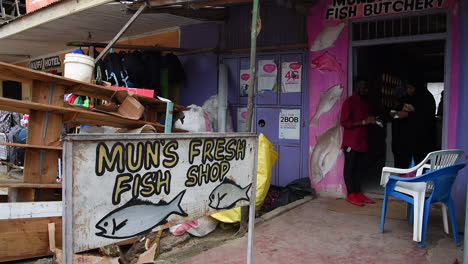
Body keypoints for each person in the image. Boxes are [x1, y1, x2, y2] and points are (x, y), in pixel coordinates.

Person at [340, 78, 376, 206]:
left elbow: (365, 120)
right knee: (350, 168)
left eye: (367, 87)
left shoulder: (365, 103)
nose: (366, 90)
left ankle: (358, 192)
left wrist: (371, 120)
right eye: (364, 87)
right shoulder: (349, 102)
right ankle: (351, 194)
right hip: (351, 142)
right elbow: (344, 122)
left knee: (359, 169)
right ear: (357, 87)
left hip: (362, 142)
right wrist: (362, 122)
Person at [391, 81, 436, 168]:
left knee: (421, 164)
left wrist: (409, 115)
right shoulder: (407, 98)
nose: (408, 91)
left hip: (422, 141)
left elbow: (426, 117)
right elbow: (398, 109)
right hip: (406, 142)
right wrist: (395, 113)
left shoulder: (426, 98)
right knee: (405, 165)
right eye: (407, 88)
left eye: (411, 88)